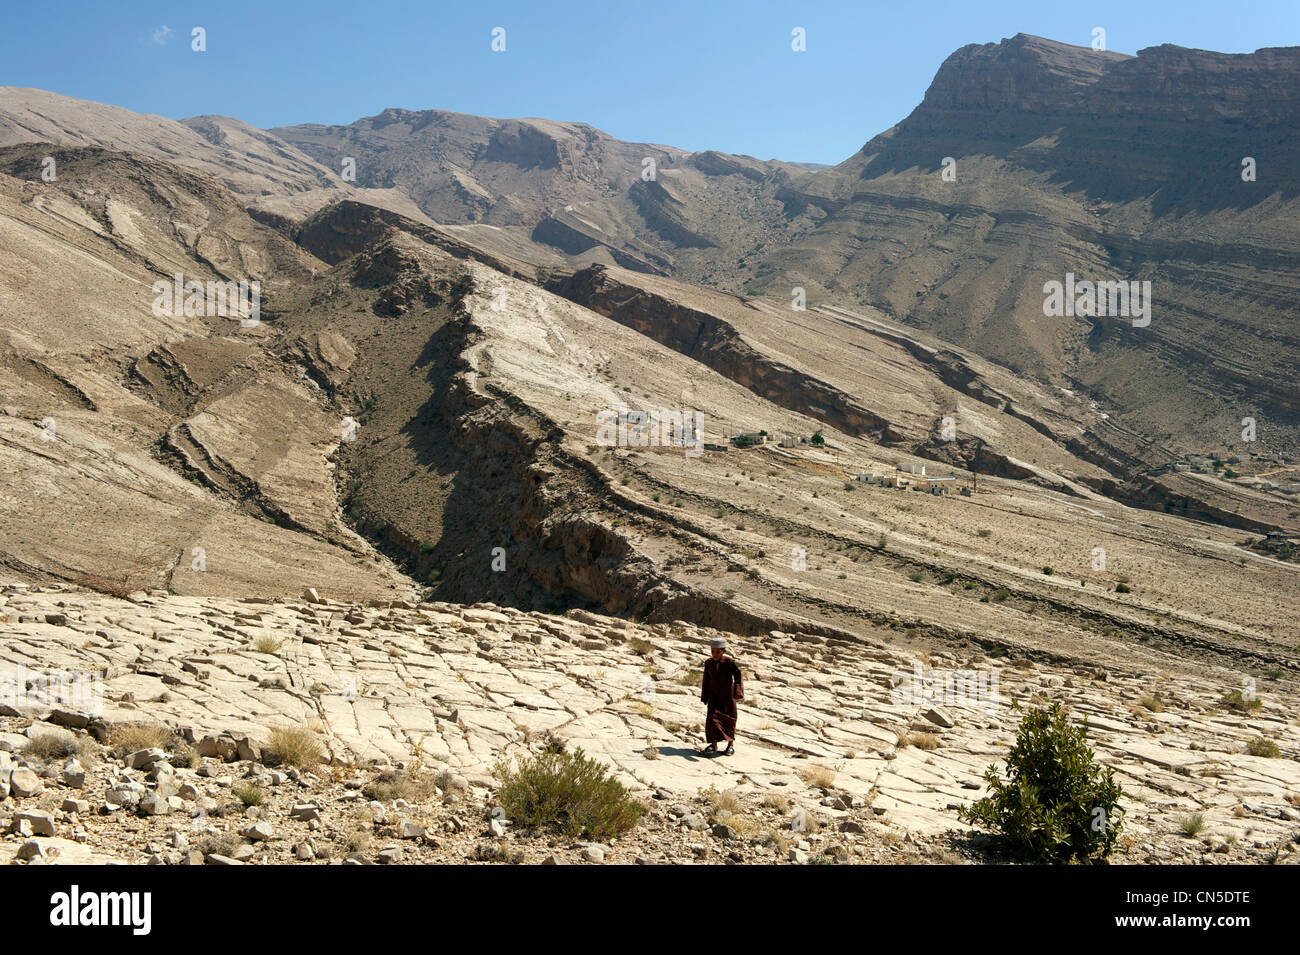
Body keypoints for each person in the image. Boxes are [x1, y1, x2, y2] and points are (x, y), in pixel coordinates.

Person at [700, 636, 743, 756]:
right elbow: (706, 679)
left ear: (723, 651)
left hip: (728, 697)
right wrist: (705, 695)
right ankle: (714, 744)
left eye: (717, 652)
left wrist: (737, 691)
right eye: (712, 651)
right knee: (711, 720)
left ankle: (730, 745)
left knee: (730, 720)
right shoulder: (708, 663)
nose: (714, 654)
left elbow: (738, 675)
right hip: (713, 696)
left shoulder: (729, 662)